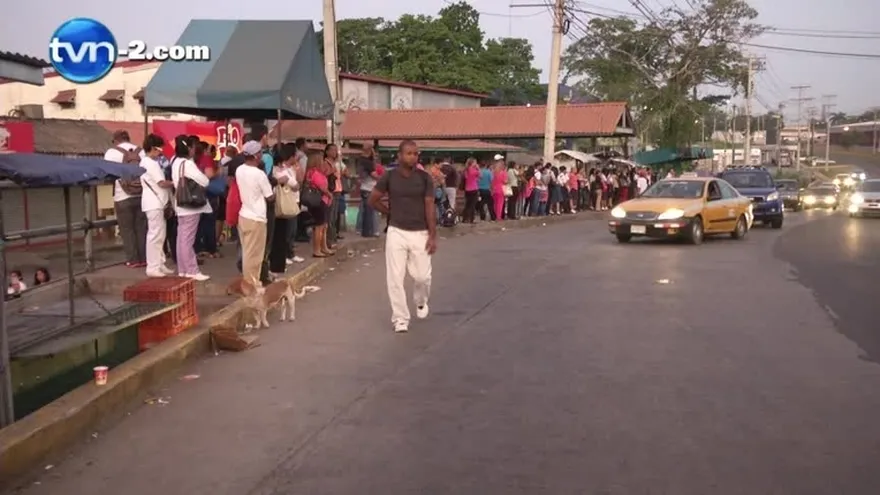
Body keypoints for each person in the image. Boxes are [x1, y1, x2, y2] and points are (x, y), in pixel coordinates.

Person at [368, 140, 437, 333]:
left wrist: (432, 235)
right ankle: (400, 318)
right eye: (409, 153)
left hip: (420, 232)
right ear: (399, 155)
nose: (413, 157)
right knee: (395, 278)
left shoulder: (424, 178)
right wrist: (388, 212)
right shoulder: (389, 177)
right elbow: (373, 199)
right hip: (396, 231)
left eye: (415, 154)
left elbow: (430, 206)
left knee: (422, 277)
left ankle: (421, 300)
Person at [170, 135, 212, 281]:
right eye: (193, 147)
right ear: (188, 148)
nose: (195, 150)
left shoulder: (175, 162)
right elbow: (205, 181)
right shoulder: (188, 164)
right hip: (191, 205)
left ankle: (183, 269)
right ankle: (192, 270)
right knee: (188, 239)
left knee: (181, 237)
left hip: (180, 203)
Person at [236, 141, 276, 288]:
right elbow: (269, 196)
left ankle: (248, 282)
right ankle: (251, 285)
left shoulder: (239, 170)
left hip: (244, 215)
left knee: (247, 252)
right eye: (260, 152)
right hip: (257, 218)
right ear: (256, 155)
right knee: (255, 256)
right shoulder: (259, 174)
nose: (261, 155)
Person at [105, 130, 147, 268]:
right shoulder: (141, 152)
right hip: (141, 194)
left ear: (116, 140)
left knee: (127, 230)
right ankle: (144, 258)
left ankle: (133, 260)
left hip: (122, 196)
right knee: (141, 228)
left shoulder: (111, 152)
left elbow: (107, 171)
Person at [139, 133, 175, 277]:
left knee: (160, 234)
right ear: (153, 148)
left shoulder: (148, 162)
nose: (161, 152)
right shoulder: (150, 163)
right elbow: (161, 182)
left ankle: (159, 263)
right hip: (154, 203)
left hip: (155, 202)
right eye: (159, 149)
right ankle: (153, 267)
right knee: (155, 235)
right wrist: (175, 182)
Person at [305, 152, 334, 257]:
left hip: (323, 201)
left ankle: (324, 247)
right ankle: (317, 249)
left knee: (324, 226)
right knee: (319, 226)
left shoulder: (315, 173)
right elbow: (322, 188)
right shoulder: (315, 173)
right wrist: (330, 194)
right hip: (320, 201)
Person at [357, 146, 380, 238]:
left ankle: (363, 230)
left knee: (365, 211)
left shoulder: (361, 161)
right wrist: (382, 178)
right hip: (369, 187)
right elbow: (373, 175)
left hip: (365, 187)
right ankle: (371, 231)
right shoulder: (368, 163)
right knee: (371, 211)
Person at [462, 158, 480, 223]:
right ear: (472, 163)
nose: (476, 164)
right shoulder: (474, 170)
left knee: (467, 204)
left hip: (467, 189)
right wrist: (478, 168)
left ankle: (464, 218)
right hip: (474, 189)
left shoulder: (466, 170)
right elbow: (480, 176)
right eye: (475, 162)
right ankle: (471, 219)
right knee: (473, 205)